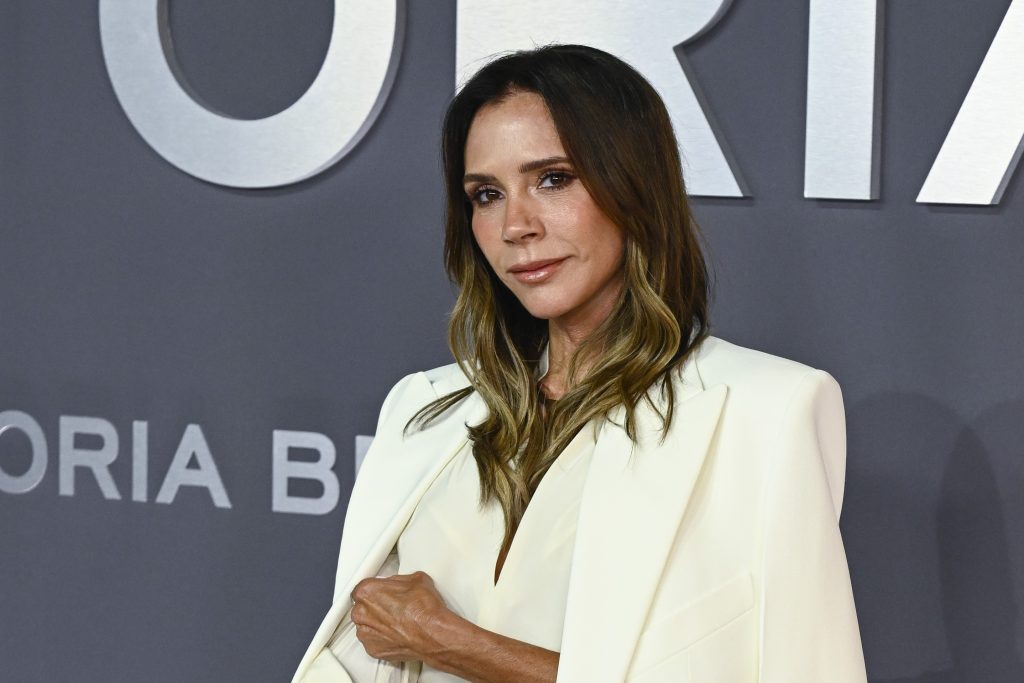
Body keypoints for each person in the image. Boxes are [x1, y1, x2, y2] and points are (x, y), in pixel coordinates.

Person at [291, 44, 867, 683]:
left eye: (553, 179)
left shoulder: (766, 412)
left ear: (634, 184)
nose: (515, 225)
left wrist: (453, 642)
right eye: (486, 194)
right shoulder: (423, 412)